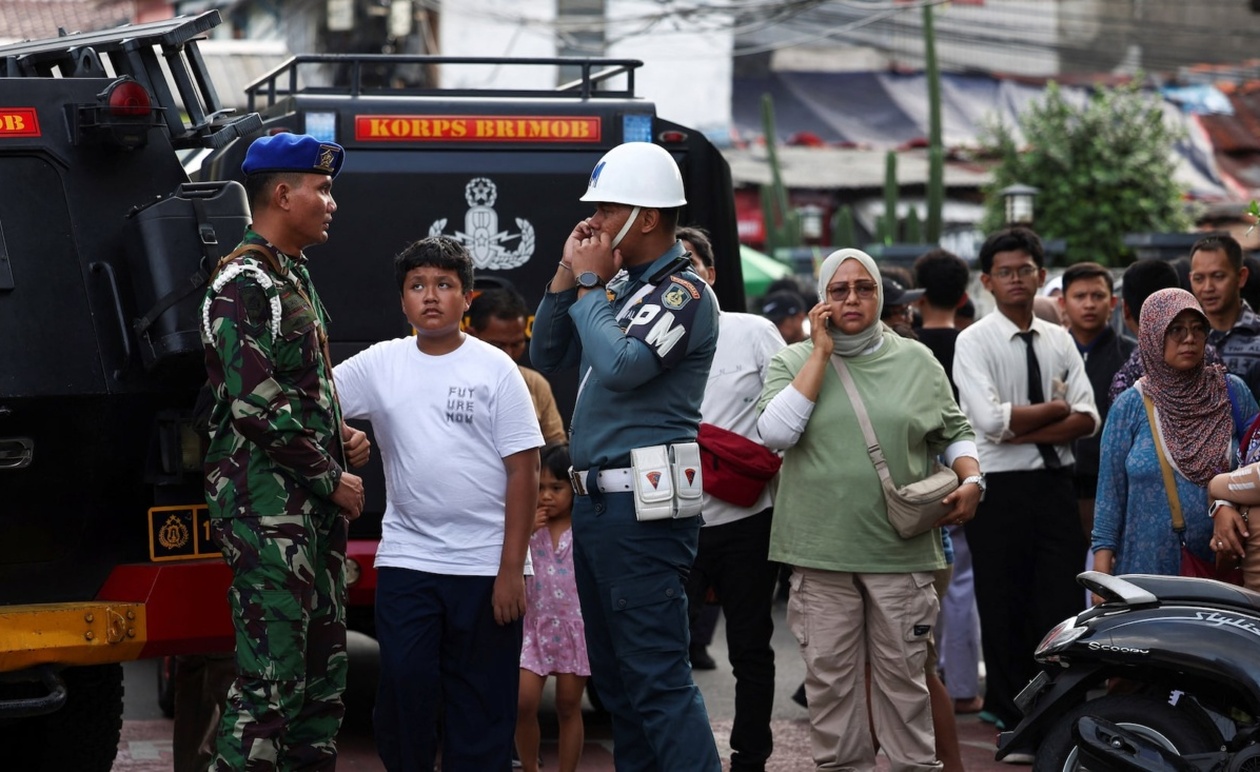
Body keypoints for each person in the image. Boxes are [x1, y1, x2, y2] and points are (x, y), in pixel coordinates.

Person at [529, 141, 722, 771]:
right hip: (599, 507)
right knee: (619, 687)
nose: (595, 222)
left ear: (645, 215)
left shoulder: (685, 291)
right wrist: (567, 274)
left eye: (608, 209)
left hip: (642, 507)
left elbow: (622, 366)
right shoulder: (619, 286)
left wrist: (589, 282)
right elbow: (547, 352)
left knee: (658, 681)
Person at [757, 247, 981, 771]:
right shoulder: (791, 360)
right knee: (831, 689)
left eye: (865, 287)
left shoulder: (915, 359)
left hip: (900, 552)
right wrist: (818, 354)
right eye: (839, 289)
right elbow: (775, 434)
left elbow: (956, 430)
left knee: (905, 686)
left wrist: (973, 478)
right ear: (821, 300)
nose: (853, 298)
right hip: (819, 553)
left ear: (881, 294)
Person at [333, 235, 543, 771]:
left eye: (445, 285)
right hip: (409, 559)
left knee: (482, 704)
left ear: (466, 298)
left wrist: (511, 571)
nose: (431, 296)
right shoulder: (382, 363)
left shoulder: (496, 369)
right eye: (418, 285)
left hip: (485, 564)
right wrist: (343, 435)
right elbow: (308, 402)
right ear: (403, 299)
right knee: (405, 687)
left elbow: (525, 470)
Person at [200, 132, 370, 770]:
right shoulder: (245, 280)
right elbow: (254, 404)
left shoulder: (289, 276)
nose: (331, 203)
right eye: (321, 189)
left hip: (305, 514)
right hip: (267, 511)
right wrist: (333, 476)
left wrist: (342, 435)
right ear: (281, 192)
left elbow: (302, 389)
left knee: (319, 692)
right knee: (268, 694)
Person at [953, 226, 1099, 735]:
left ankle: (1055, 707)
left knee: (1059, 601)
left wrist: (1024, 423)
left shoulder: (1059, 338)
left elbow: (1090, 418)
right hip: (1000, 490)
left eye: (1025, 271)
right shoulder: (972, 341)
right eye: (1005, 272)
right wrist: (1057, 408)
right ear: (987, 281)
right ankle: (1009, 711)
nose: (1016, 280)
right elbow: (990, 424)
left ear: (1040, 276)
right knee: (1001, 599)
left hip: (1055, 483)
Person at [680, 224, 785, 772]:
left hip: (749, 518)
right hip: (671, 520)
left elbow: (790, 412)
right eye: (670, 265)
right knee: (669, 652)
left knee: (750, 647)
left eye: (692, 261)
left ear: (713, 273)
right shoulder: (648, 336)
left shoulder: (754, 332)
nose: (683, 273)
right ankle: (684, 754)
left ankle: (751, 757)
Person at [1093, 288, 1255, 581]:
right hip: (1145, 574)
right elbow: (1108, 500)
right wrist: (1101, 578)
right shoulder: (1130, 406)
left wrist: (1226, 501)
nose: (1190, 339)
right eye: (1176, 330)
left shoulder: (1232, 393)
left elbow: (1257, 464)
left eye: (1197, 329)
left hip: (1224, 571)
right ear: (1154, 336)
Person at [912, 248, 984, 719]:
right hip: (967, 466)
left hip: (916, 474)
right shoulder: (972, 344)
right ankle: (960, 686)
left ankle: (923, 679)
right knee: (961, 583)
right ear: (964, 294)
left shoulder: (908, 347)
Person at [516, 442, 589, 772]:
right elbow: (510, 562)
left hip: (574, 628)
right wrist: (526, 529)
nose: (546, 496)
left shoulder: (584, 531)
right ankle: (530, 766)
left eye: (556, 488)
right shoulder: (529, 528)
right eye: (541, 487)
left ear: (574, 487)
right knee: (523, 703)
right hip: (535, 627)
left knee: (568, 705)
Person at [1057, 262, 1134, 542]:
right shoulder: (1050, 354)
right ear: (1063, 303)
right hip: (1058, 483)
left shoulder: (1131, 357)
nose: (1089, 304)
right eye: (1080, 297)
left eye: (1098, 296)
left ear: (1113, 302)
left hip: (1112, 485)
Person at [467, 286, 567, 445]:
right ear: (471, 335)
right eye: (497, 345)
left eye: (516, 344)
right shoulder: (450, 380)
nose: (508, 354)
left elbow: (556, 449)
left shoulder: (535, 384)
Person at [1190, 234, 1260, 400]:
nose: (1207, 287)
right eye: (1199, 278)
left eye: (1218, 276)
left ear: (1241, 277)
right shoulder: (1182, 340)